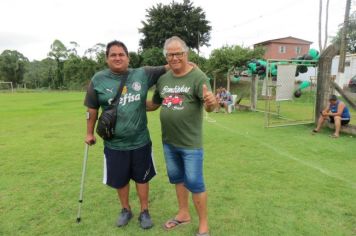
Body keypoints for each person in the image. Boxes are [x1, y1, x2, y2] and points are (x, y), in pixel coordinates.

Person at [84, 40, 169, 229]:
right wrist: (89, 133)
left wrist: (188, 63)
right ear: (106, 59)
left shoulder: (143, 73)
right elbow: (91, 109)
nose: (117, 58)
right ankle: (125, 209)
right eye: (113, 55)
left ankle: (145, 211)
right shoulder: (98, 79)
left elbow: (169, 66)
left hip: (140, 141)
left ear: (128, 57)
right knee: (120, 179)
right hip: (114, 144)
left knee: (142, 178)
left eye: (121, 54)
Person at [146, 36, 217, 236]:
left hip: (190, 144)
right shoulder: (163, 79)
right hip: (169, 142)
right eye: (171, 54)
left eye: (179, 53)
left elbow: (210, 107)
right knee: (177, 179)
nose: (175, 57)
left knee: (195, 183)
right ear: (166, 56)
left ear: (186, 54)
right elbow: (154, 104)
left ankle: (204, 225)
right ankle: (183, 214)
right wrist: (131, 104)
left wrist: (212, 102)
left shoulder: (198, 77)